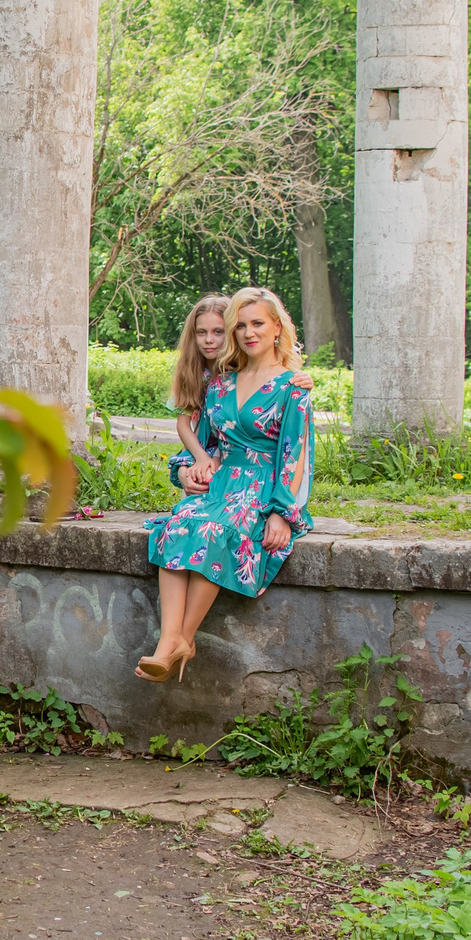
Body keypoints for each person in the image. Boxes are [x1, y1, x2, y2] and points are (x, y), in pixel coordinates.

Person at [138, 287, 314, 682]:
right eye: (241, 326)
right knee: (180, 524)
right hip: (223, 483)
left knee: (217, 531)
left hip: (262, 489)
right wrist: (191, 468)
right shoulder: (221, 385)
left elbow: (293, 454)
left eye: (258, 324)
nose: (249, 332)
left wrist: (281, 514)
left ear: (276, 329)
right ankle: (169, 642)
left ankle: (183, 638)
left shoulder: (292, 386)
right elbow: (205, 438)